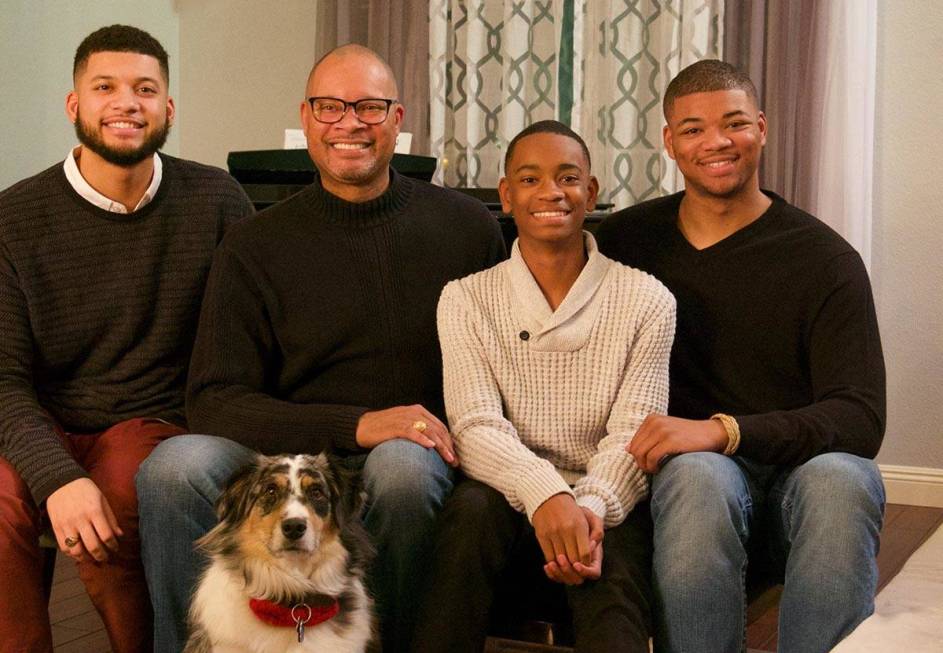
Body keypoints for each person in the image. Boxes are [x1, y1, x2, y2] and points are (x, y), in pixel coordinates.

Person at [136, 44, 506, 653]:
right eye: (330, 107)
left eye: (369, 106)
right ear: (306, 118)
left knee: (405, 474)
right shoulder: (254, 243)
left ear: (397, 118)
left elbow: (500, 369)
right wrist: (356, 423)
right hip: (285, 456)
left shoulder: (465, 227)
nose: (349, 123)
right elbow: (212, 401)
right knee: (173, 469)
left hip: (411, 449)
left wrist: (401, 429)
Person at [595, 59, 886, 653]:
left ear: (761, 127)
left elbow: (859, 416)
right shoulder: (623, 242)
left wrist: (724, 431)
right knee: (700, 475)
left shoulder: (824, 259)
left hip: (794, 480)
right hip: (684, 482)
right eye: (695, 129)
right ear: (670, 142)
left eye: (733, 124)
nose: (717, 142)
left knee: (845, 478)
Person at [0, 24, 253, 653]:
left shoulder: (217, 200)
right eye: (105, 87)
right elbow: (3, 380)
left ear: (167, 109)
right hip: (40, 418)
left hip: (150, 419)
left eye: (145, 89)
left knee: (113, 508)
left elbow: (249, 336)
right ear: (74, 105)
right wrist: (57, 478)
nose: (126, 103)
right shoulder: (12, 217)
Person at [413, 120, 676, 653]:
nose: (551, 193)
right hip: (505, 492)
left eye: (568, 178)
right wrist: (545, 494)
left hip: (604, 499)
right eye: (530, 180)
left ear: (591, 192)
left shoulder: (648, 299)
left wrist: (589, 508)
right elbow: (474, 426)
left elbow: (634, 433)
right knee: (467, 519)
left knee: (611, 579)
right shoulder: (464, 299)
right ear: (506, 196)